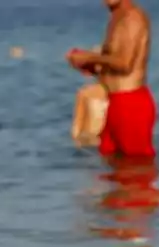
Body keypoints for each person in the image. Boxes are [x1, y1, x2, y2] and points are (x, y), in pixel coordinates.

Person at [66, 0, 154, 159]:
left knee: (137, 171)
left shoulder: (132, 17)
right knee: (112, 168)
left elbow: (125, 64)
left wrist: (91, 57)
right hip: (115, 103)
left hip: (131, 104)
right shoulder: (115, 17)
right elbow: (113, 66)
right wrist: (88, 65)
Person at [70, 51, 109, 148]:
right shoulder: (85, 93)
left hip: (106, 142)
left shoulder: (118, 94)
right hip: (88, 142)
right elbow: (76, 126)